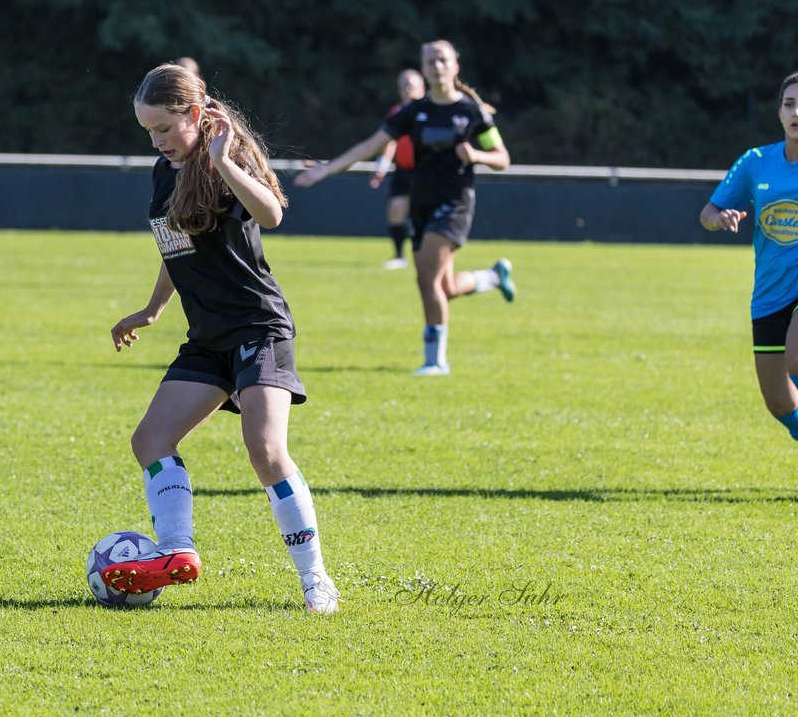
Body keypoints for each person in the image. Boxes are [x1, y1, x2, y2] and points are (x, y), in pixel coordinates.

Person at [106, 63, 340, 613]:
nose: (157, 141)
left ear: (194, 113)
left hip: (258, 328)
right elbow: (175, 245)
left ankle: (316, 581)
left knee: (265, 450)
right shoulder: (163, 172)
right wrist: (151, 309)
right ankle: (176, 553)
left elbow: (273, 213)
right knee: (150, 442)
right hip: (208, 336)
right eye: (148, 132)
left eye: (164, 128)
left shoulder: (222, 162)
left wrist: (222, 162)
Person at [296, 40, 516, 376]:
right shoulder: (413, 112)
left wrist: (478, 156)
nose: (437, 66)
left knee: (425, 276)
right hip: (421, 204)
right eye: (430, 62)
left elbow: (502, 158)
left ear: (456, 65)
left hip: (455, 205)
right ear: (424, 69)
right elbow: (372, 144)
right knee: (444, 288)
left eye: (442, 60)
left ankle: (436, 361)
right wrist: (328, 168)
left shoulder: (473, 112)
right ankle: (492, 276)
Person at [701, 71, 798, 445]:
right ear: (779, 112)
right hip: (769, 292)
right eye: (789, 104)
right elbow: (707, 213)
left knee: (795, 359)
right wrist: (720, 218)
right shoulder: (756, 161)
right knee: (778, 401)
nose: (796, 112)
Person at [371, 69, 427, 269]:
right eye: (402, 84)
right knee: (396, 210)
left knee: (423, 215)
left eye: (410, 84)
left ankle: (424, 254)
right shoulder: (397, 111)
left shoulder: (429, 110)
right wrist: (383, 165)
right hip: (403, 170)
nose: (406, 88)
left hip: (425, 171)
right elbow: (389, 141)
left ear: (422, 87)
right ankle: (399, 256)